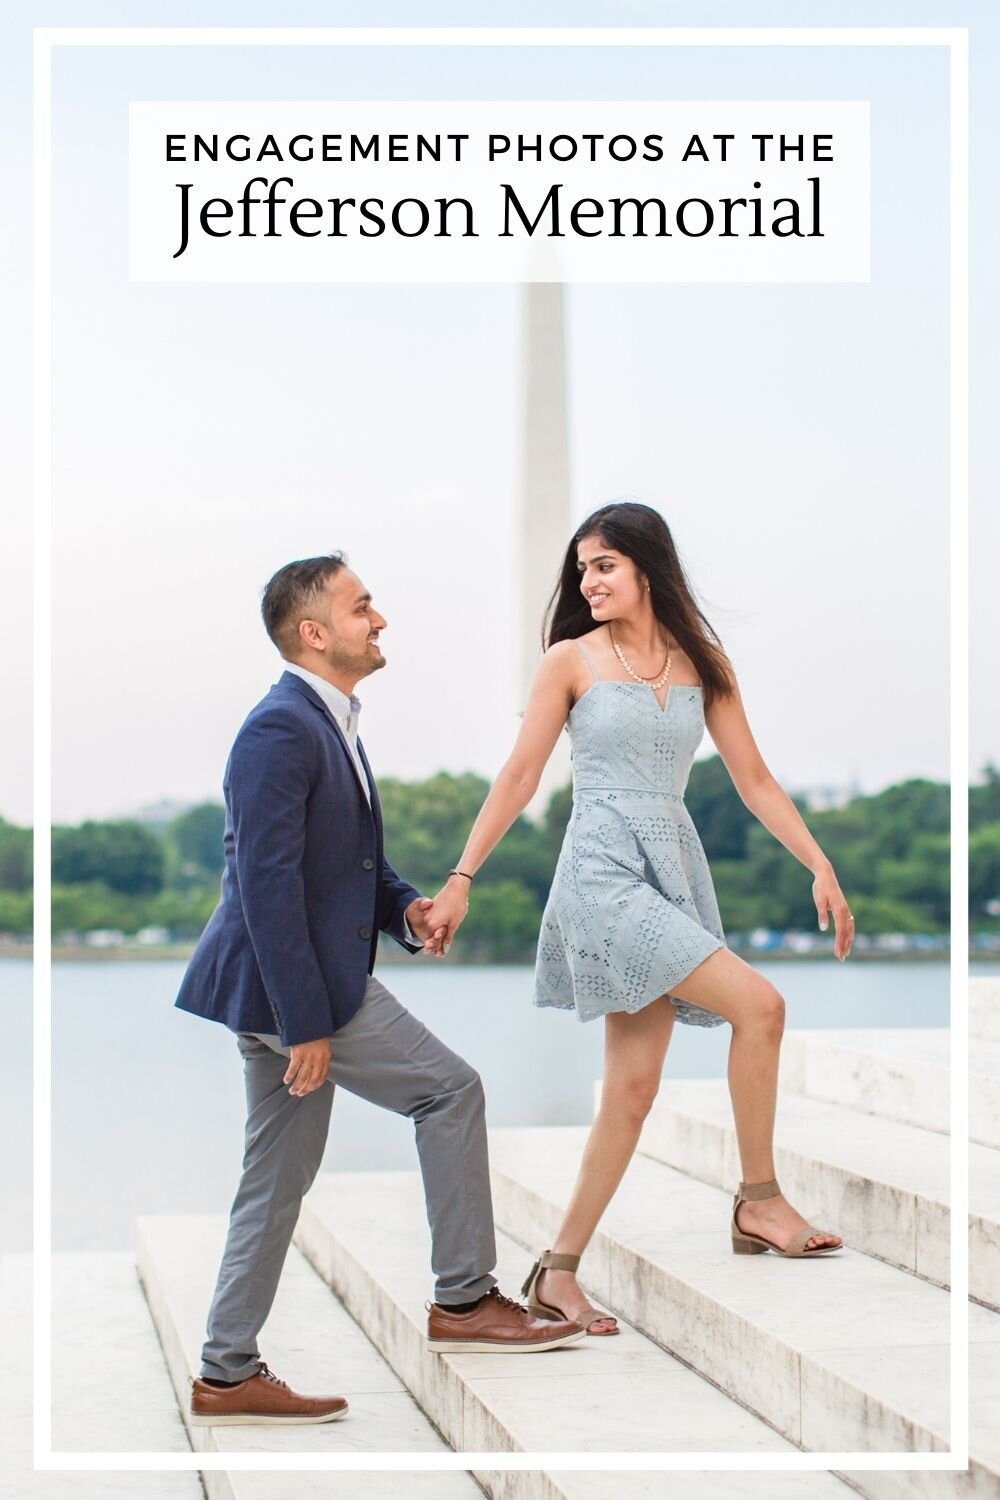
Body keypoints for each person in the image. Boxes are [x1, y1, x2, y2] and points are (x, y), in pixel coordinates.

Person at [175, 553, 583, 1428]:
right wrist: (305, 1023)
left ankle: (225, 1371)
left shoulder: (329, 721)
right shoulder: (280, 729)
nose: (382, 620)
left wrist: (407, 910)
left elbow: (345, 863)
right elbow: (267, 886)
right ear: (315, 632)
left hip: (286, 990)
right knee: (450, 1089)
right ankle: (466, 1301)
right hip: (300, 991)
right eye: (364, 607)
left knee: (274, 1180)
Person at [427, 502, 853, 1338]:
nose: (587, 582)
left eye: (603, 566)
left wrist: (820, 864)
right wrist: (461, 877)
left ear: (647, 570)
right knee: (760, 1006)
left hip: (672, 863)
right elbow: (519, 776)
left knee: (631, 1089)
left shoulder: (704, 662)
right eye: (581, 569)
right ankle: (759, 1202)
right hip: (602, 871)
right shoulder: (569, 660)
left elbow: (755, 778)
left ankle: (556, 1271)